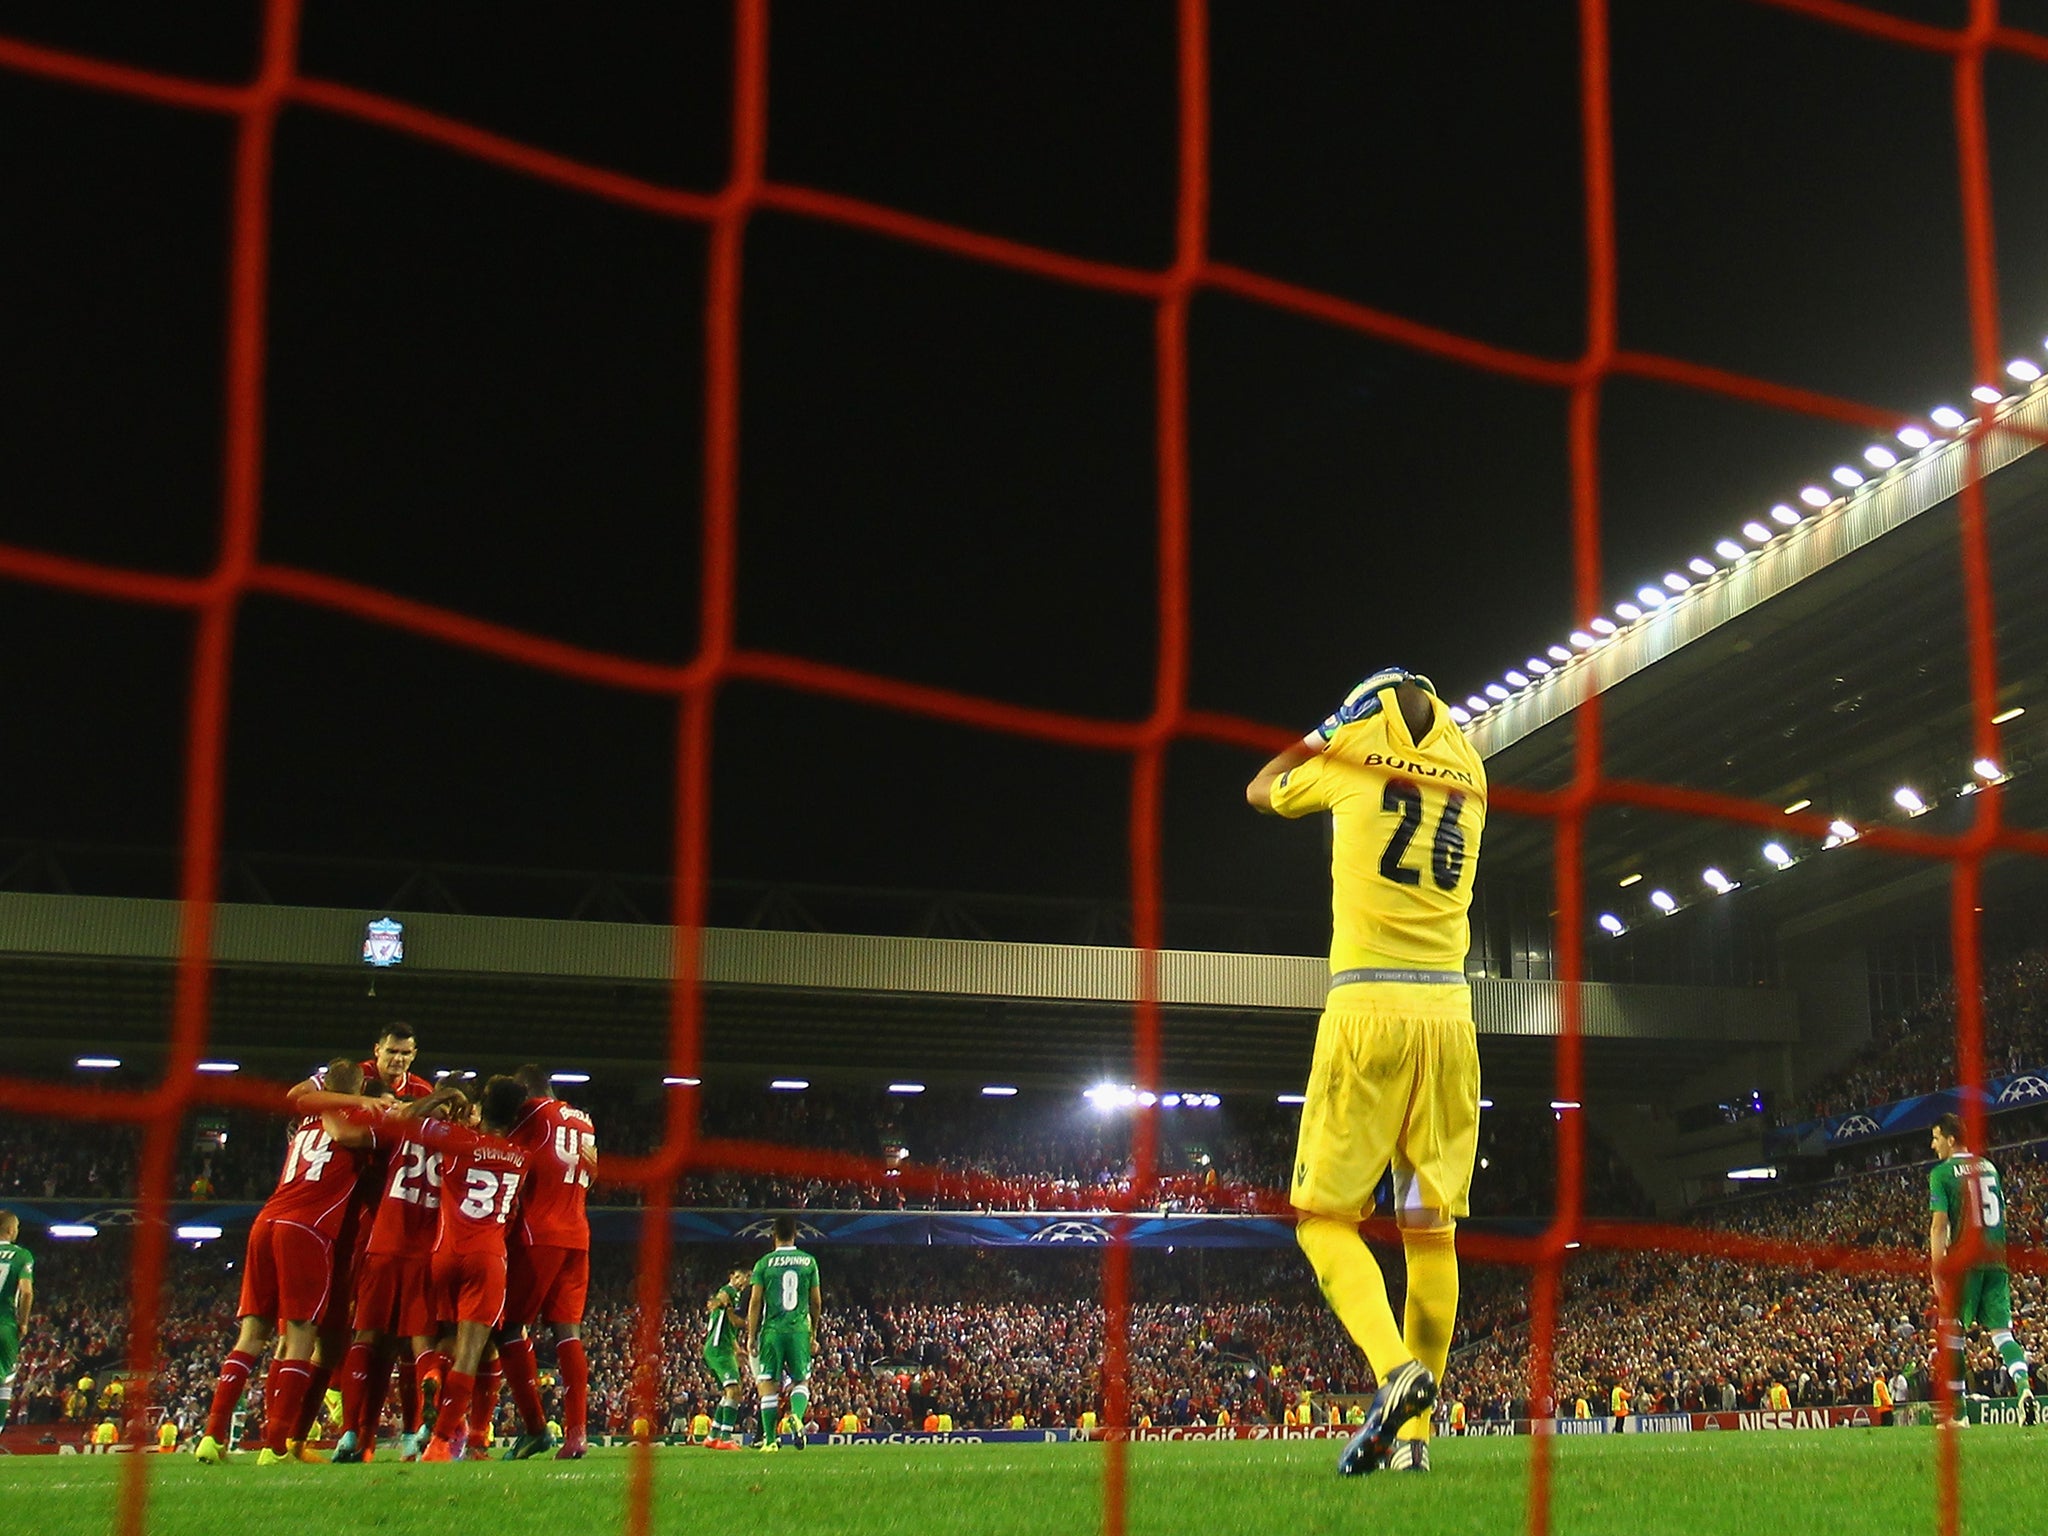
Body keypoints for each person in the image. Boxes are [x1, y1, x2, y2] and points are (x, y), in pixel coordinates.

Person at [1247, 667, 1486, 1477]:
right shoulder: (1473, 772)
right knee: (1430, 1232)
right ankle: (1417, 1445)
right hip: (1451, 1024)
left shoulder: (1352, 759)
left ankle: (1395, 1371)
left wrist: (1324, 727)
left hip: (1368, 1016)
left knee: (1321, 1218)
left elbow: (1259, 788)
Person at [194, 1060, 392, 1466]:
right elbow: (360, 1135)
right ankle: (276, 1444)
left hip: (265, 1221)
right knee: (302, 1335)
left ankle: (212, 1437)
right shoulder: (354, 1128)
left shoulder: (306, 1125)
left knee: (252, 1334)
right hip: (308, 1229)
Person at [498, 1064, 597, 1460]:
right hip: (578, 1231)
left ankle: (535, 1427)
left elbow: (503, 1151)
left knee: (507, 1330)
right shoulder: (584, 1120)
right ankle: (577, 1434)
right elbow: (592, 1171)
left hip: (540, 1232)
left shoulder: (533, 1113)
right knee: (568, 1334)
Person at [1928, 1112, 2036, 1424]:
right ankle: (2024, 1388)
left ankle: (1958, 1416)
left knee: (1953, 1336)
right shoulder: (1989, 1167)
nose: (1932, 1145)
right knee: (2003, 1334)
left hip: (1965, 1262)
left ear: (1950, 1139)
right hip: (1996, 1261)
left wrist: (1937, 1270)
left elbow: (1939, 1226)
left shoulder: (1942, 1173)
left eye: (1936, 1138)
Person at [745, 1215, 820, 1454]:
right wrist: (814, 1332)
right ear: (795, 1234)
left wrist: (751, 1335)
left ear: (773, 1236)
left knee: (768, 1385)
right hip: (799, 1329)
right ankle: (796, 1417)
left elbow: (756, 1301)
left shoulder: (764, 1263)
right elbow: (816, 1301)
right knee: (801, 1381)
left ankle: (769, 1441)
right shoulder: (808, 1262)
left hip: (772, 1331)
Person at [701, 1268, 751, 1449]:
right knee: (734, 1391)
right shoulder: (729, 1292)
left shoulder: (736, 1297)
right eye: (738, 1276)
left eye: (745, 1277)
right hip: (718, 1349)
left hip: (723, 1348)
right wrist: (717, 1302)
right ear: (731, 1277)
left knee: (732, 1391)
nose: (741, 1280)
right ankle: (725, 1437)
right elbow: (721, 1297)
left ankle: (713, 1435)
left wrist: (737, 1349)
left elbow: (731, 1329)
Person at [0, 1211, 32, 1428]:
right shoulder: (21, 1255)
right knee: (4, 1380)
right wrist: (23, 1322)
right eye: (17, 1226)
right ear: (10, 1230)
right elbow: (26, 1292)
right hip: (5, 1324)